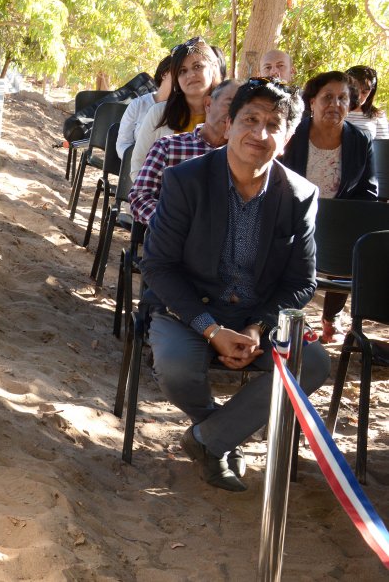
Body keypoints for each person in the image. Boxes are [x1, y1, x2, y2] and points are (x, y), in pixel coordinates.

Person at [141, 78, 331, 492]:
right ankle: (222, 434)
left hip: (255, 317)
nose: (259, 134)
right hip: (187, 309)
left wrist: (254, 328)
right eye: (250, 119)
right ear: (228, 124)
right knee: (175, 367)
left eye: (273, 124)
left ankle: (209, 440)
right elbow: (157, 266)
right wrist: (210, 328)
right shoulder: (184, 181)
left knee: (314, 362)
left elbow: (301, 282)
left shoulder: (299, 196)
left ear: (288, 138)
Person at [281, 71, 377, 343]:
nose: (335, 104)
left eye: (343, 98)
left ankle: (330, 317)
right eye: (328, 97)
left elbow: (367, 191)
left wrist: (345, 219)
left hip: (338, 223)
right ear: (312, 102)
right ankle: (289, 315)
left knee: (350, 241)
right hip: (293, 214)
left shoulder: (360, 140)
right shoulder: (293, 133)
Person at [128, 80, 240, 225]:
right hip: (171, 238)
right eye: (230, 104)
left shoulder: (244, 158)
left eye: (242, 109)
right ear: (208, 104)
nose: (234, 114)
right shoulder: (168, 147)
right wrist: (174, 224)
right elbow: (140, 197)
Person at [130, 37, 222, 181]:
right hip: (163, 199)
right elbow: (137, 166)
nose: (190, 75)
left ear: (213, 68)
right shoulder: (159, 113)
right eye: (182, 71)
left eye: (197, 66)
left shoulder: (229, 114)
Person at [117, 55, 173, 158]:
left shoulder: (186, 107)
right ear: (164, 74)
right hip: (137, 166)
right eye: (180, 72)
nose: (184, 77)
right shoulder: (137, 105)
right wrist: (135, 160)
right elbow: (123, 143)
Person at [344, 65, 389, 140]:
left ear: (371, 92)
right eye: (354, 91)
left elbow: (382, 148)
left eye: (364, 92)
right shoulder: (334, 111)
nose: (358, 96)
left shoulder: (378, 115)